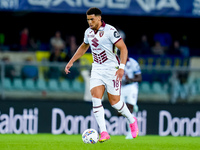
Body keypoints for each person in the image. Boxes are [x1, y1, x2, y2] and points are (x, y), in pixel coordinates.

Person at [64, 7, 138, 142]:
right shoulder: (88, 32)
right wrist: (71, 61)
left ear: (99, 18)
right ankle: (104, 132)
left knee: (115, 103)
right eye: (88, 20)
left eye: (92, 19)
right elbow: (84, 46)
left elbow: (123, 48)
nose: (90, 22)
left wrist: (121, 68)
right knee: (96, 98)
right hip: (97, 69)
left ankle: (132, 120)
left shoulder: (110, 30)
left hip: (112, 69)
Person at [120, 57, 142, 139]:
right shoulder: (115, 61)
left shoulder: (133, 62)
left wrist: (130, 80)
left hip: (131, 86)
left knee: (129, 110)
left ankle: (131, 132)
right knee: (119, 112)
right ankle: (134, 106)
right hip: (120, 87)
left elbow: (139, 78)